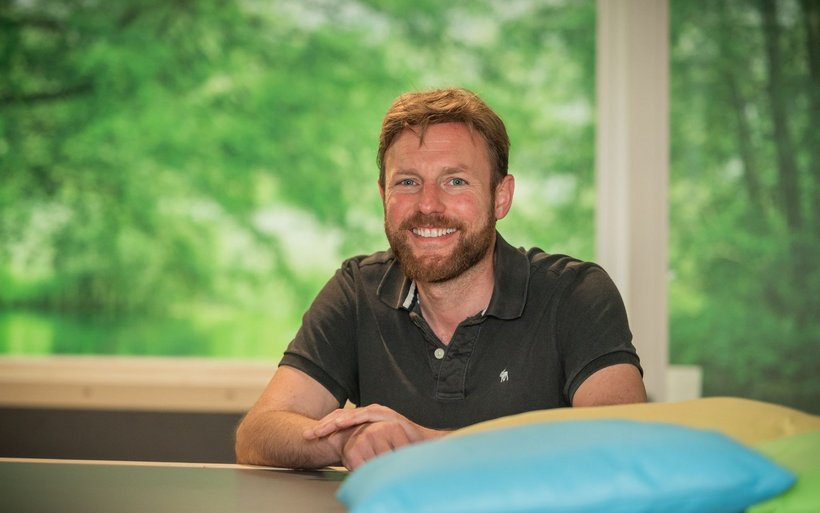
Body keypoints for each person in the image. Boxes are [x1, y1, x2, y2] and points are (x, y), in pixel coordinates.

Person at [235, 87, 647, 470]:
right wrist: (345, 440)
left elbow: (621, 442)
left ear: (501, 197)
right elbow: (257, 432)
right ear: (383, 195)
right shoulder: (357, 290)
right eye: (407, 182)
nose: (428, 205)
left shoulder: (575, 294)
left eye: (455, 181)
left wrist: (425, 442)